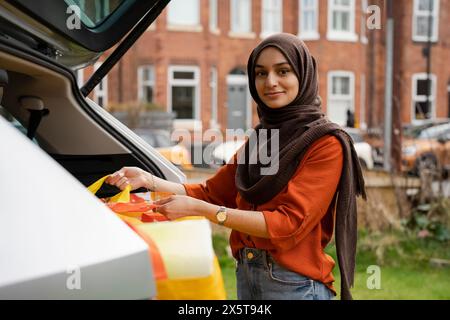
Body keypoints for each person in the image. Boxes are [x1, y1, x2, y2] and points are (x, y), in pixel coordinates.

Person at [105, 33, 366, 300]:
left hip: (295, 285)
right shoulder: (262, 138)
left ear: (304, 75)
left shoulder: (326, 144)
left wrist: (203, 211)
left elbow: (287, 223)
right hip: (248, 274)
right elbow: (212, 192)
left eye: (283, 71)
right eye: (261, 73)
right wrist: (149, 181)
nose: (270, 82)